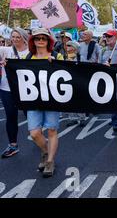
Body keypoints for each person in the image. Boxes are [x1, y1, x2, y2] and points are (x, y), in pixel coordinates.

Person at [26, 28, 63, 178]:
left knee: (52, 130)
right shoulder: (28, 57)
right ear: (33, 41)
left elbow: (67, 73)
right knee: (34, 133)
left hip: (52, 99)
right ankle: (46, 150)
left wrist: (56, 64)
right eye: (37, 38)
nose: (41, 40)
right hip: (34, 99)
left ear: (49, 41)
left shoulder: (56, 55)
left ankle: (50, 161)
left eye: (44, 38)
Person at [0, 28, 30, 158]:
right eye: (13, 37)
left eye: (18, 37)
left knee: (31, 116)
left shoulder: (31, 52)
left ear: (24, 38)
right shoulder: (4, 50)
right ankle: (13, 145)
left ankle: (38, 137)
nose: (15, 39)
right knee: (11, 117)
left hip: (27, 90)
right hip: (7, 89)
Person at [99, 30, 117, 132]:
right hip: (108, 80)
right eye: (106, 36)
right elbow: (98, 64)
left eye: (110, 36)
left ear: (116, 38)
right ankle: (115, 119)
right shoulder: (103, 50)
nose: (107, 38)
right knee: (112, 101)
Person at [64, 41, 88, 127]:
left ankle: (82, 118)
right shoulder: (64, 57)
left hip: (79, 82)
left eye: (70, 46)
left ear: (75, 48)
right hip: (68, 82)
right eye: (67, 46)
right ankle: (72, 118)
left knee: (80, 100)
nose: (68, 47)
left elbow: (85, 68)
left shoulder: (80, 57)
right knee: (70, 101)